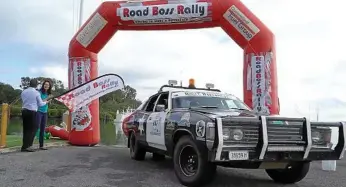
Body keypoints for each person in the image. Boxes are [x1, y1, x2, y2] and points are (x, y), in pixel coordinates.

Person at [20, 79, 50, 152]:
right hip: (32, 111)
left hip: (24, 111)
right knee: (33, 129)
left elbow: (23, 100)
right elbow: (40, 104)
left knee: (26, 129)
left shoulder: (23, 91)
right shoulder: (36, 93)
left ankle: (24, 146)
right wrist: (46, 102)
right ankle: (29, 146)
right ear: (36, 85)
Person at [37, 80, 53, 150]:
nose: (46, 86)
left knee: (43, 129)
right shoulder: (39, 93)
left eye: (48, 85)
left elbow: (47, 103)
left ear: (49, 87)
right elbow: (40, 102)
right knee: (36, 127)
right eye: (45, 84)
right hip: (38, 112)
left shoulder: (48, 93)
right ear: (43, 85)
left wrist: (49, 101)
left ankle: (41, 145)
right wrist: (48, 99)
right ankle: (29, 144)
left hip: (45, 112)